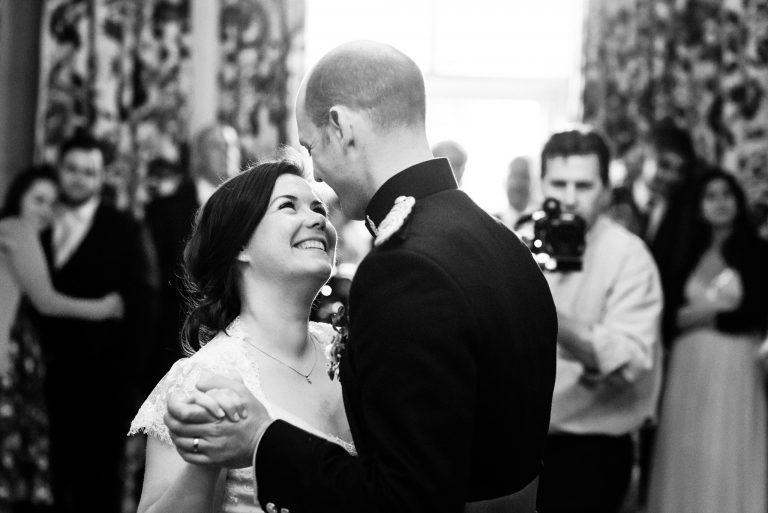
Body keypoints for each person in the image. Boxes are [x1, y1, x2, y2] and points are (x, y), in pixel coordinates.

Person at [165, 40, 557, 513]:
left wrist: (263, 442)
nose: (321, 181)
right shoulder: (503, 243)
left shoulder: (405, 267)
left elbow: (405, 499)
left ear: (341, 126)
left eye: (312, 148)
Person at [129, 159, 349, 513]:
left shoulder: (351, 350)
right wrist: (207, 461)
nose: (318, 219)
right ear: (240, 245)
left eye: (318, 208)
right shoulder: (205, 379)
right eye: (288, 206)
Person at [534, 129, 663, 513]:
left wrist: (545, 311)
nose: (569, 198)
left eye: (584, 185)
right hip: (520, 445)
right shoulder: (519, 245)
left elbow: (629, 361)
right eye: (559, 183)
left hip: (589, 453)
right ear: (543, 183)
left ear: (606, 190)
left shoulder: (629, 257)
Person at [38, 132, 155, 513]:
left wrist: (129, 382)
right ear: (59, 171)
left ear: (100, 177)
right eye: (71, 169)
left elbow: (142, 307)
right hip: (43, 380)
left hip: (103, 384)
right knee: (48, 480)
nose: (79, 179)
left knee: (99, 484)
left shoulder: (123, 228)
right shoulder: (36, 219)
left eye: (88, 172)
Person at [0, 165, 122, 512]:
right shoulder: (18, 230)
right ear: (18, 198)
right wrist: (105, 307)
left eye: (51, 203)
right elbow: (46, 300)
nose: (44, 210)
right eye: (37, 199)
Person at [647, 169, 768, 513]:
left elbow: (756, 310)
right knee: (688, 443)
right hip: (688, 365)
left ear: (738, 200)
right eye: (710, 196)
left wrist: (704, 316)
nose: (720, 203)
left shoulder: (757, 252)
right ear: (699, 206)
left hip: (736, 363)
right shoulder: (686, 252)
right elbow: (668, 312)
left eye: (726, 195)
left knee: (730, 442)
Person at [144, 123, 242, 393]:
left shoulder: (250, 209)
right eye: (217, 145)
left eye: (232, 145)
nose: (227, 152)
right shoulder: (164, 209)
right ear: (197, 155)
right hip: (174, 335)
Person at [497, 156, 534, 231]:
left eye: (523, 177)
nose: (516, 184)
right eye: (512, 176)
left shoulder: (541, 224)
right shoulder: (491, 223)